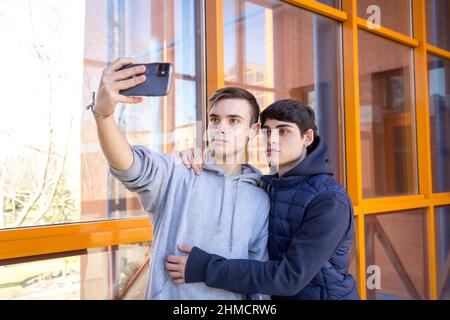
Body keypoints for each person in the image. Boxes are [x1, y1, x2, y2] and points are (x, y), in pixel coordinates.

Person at [92, 57, 269, 299]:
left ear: (253, 131)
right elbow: (130, 167)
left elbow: (256, 277)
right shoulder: (179, 169)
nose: (221, 128)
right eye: (215, 119)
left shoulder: (260, 197)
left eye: (234, 121)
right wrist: (103, 114)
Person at [166, 99, 359, 300]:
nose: (271, 140)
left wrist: (206, 268)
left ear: (307, 137)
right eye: (267, 132)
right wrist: (194, 157)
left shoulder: (329, 200)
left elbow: (289, 278)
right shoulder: (266, 186)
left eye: (283, 131)